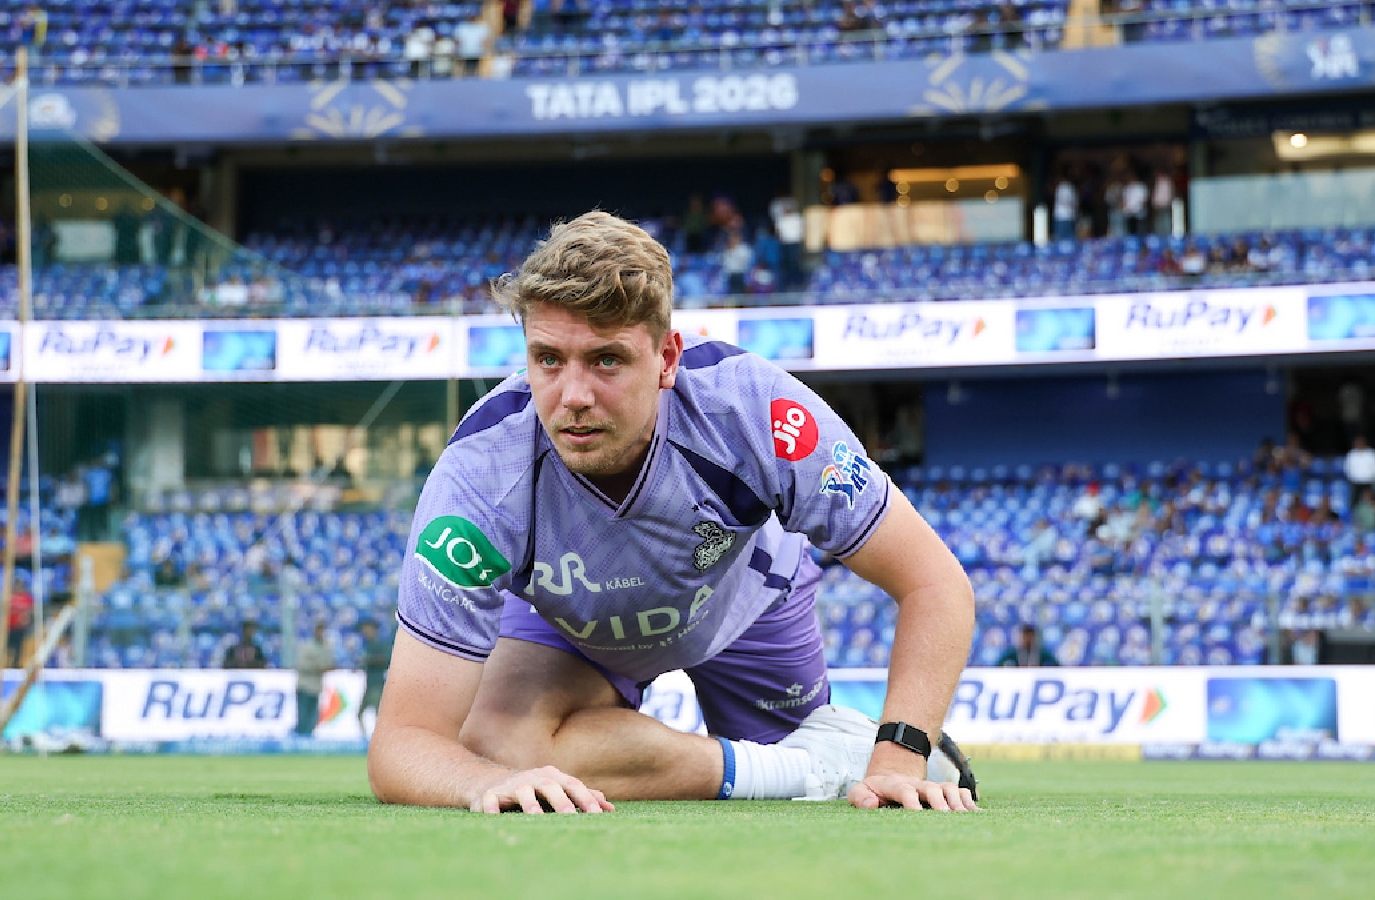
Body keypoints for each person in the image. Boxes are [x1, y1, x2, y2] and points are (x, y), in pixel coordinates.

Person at [368, 211, 978, 815]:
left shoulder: (754, 410)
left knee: (800, 792)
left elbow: (934, 582)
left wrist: (898, 758)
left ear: (666, 358)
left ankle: (824, 750)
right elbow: (404, 741)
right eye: (548, 359)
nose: (573, 396)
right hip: (573, 630)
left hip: (746, 606)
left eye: (607, 360)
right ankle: (807, 765)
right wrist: (480, 783)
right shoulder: (478, 477)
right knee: (496, 747)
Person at [294, 620, 335, 736]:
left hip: (316, 688)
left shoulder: (326, 647)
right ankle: (300, 739)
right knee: (303, 717)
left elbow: (329, 664)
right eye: (319, 630)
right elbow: (301, 665)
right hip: (305, 686)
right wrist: (317, 668)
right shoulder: (307, 646)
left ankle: (307, 739)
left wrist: (327, 667)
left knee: (313, 718)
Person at [357, 619, 392, 741]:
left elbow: (386, 660)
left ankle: (380, 740)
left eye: (367, 629)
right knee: (359, 714)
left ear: (374, 630)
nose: (365, 631)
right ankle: (366, 740)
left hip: (377, 685)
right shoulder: (367, 645)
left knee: (378, 715)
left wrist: (369, 660)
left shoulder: (380, 644)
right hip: (369, 685)